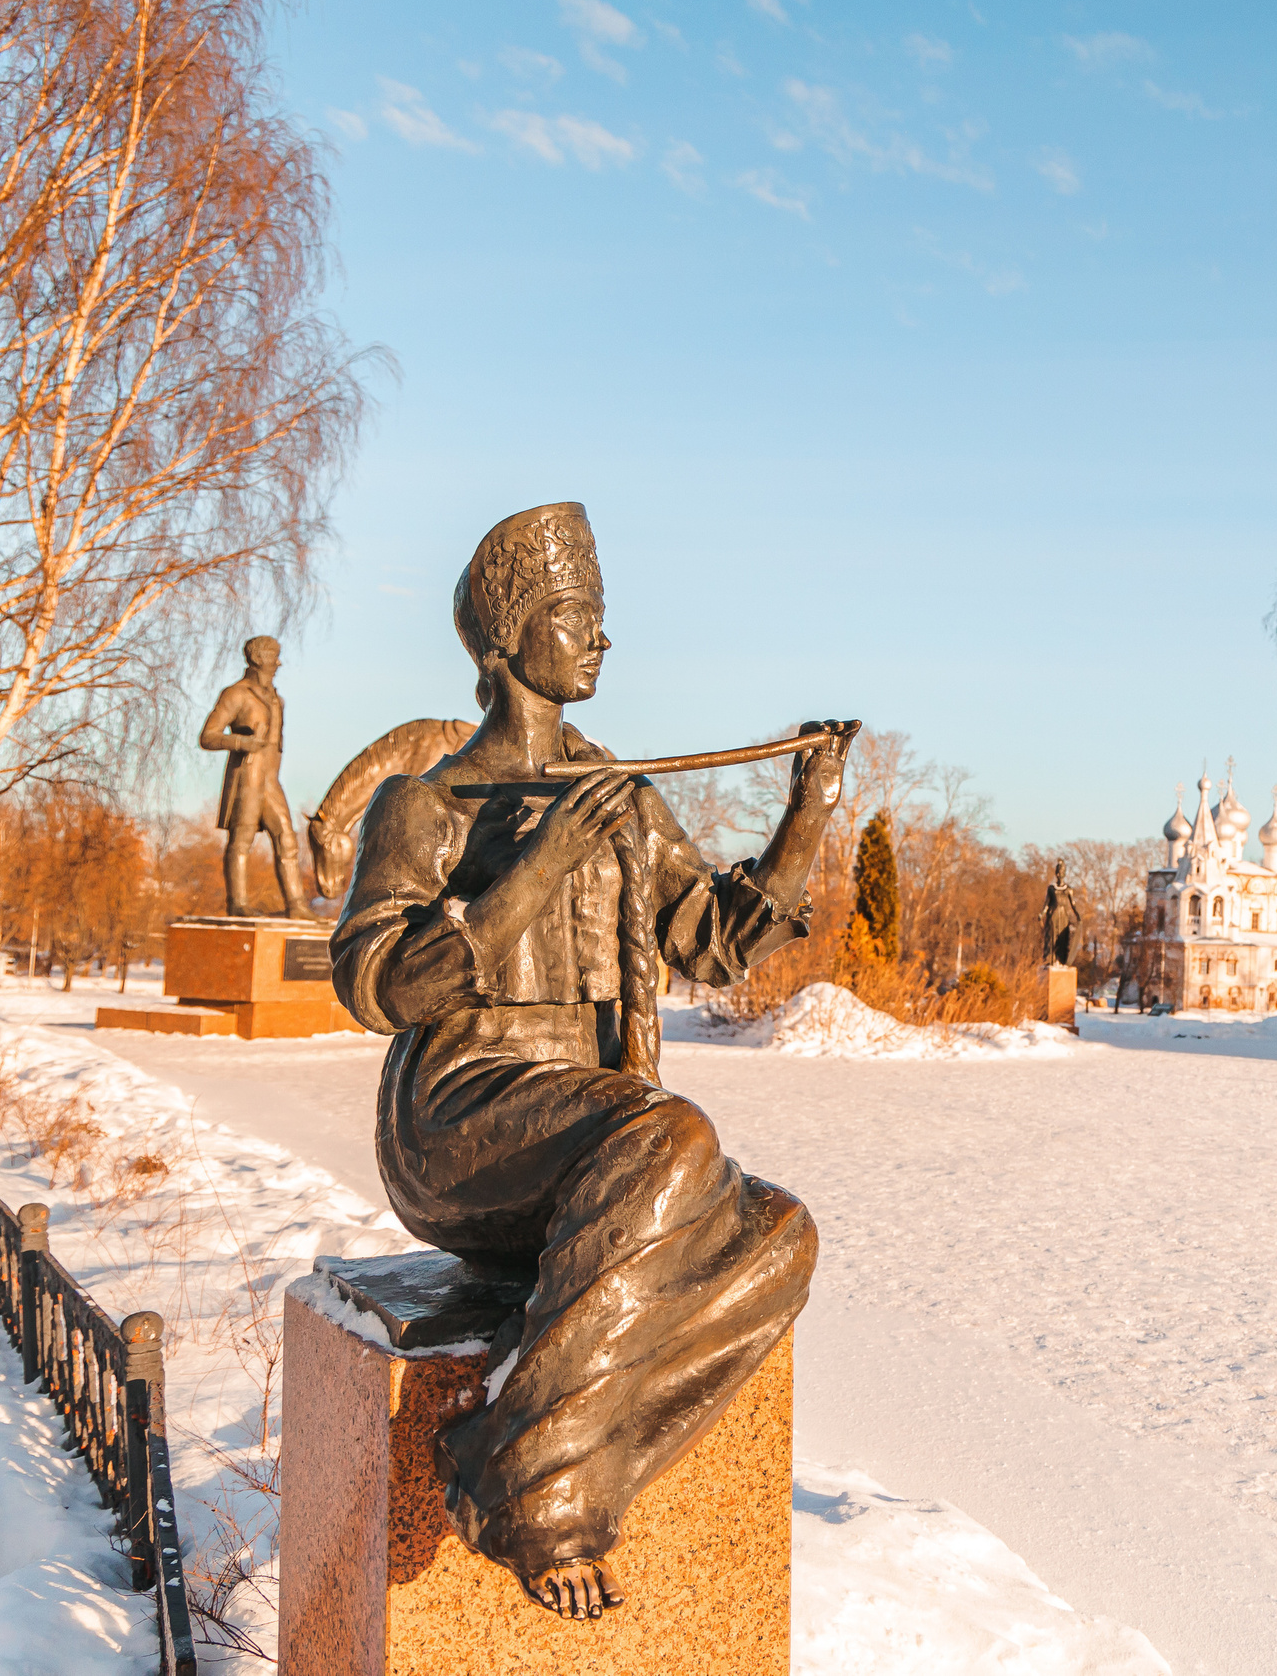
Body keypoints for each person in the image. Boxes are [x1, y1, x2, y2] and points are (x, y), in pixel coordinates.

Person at [331, 502, 848, 1621]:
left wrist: (806, 819)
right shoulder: (428, 804)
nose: (602, 637)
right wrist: (534, 866)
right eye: (577, 616)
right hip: (458, 1118)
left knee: (777, 1233)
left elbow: (710, 939)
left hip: (599, 1131)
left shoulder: (623, 799)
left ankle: (557, 1448)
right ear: (508, 637)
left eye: (600, 616)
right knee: (667, 1133)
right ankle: (538, 1496)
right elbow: (377, 985)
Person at [197, 635, 315, 919]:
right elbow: (208, 736)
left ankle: (297, 906)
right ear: (259, 658)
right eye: (274, 656)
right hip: (247, 777)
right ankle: (237, 903)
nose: (279, 662)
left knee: (287, 838)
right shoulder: (236, 694)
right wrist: (242, 742)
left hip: (271, 781)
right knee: (242, 839)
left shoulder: (277, 699)